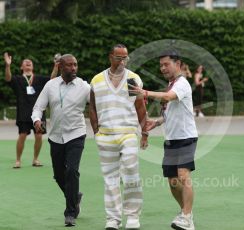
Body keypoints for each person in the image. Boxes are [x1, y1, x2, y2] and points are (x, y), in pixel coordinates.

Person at [130, 49, 198, 230]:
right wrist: (157, 122)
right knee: (173, 182)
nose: (163, 68)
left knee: (183, 175)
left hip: (186, 138)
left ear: (178, 64)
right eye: (160, 65)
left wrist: (145, 93)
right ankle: (185, 211)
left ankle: (186, 216)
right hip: (171, 140)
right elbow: (172, 110)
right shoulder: (171, 84)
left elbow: (168, 97)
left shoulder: (182, 83)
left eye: (166, 64)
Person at [89, 44, 148, 230]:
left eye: (125, 58)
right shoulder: (97, 80)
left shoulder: (132, 79)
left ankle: (132, 216)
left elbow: (140, 107)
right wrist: (96, 132)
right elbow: (92, 108)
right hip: (105, 135)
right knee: (110, 179)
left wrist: (144, 132)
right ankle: (113, 219)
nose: (122, 61)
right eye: (119, 58)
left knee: (131, 171)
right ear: (110, 57)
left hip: (128, 133)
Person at [31, 54, 90, 226]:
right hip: (56, 136)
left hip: (76, 134)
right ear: (61, 67)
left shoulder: (84, 87)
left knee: (72, 171)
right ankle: (75, 196)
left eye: (75, 65)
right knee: (58, 175)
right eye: (69, 65)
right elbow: (38, 107)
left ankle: (70, 213)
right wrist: (36, 120)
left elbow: (98, 102)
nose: (73, 68)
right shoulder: (50, 85)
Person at [3, 52, 56, 169]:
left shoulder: (40, 79)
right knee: (22, 135)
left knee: (38, 136)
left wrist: (56, 66)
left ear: (32, 67)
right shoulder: (17, 79)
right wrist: (7, 65)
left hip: (39, 113)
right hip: (23, 113)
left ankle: (35, 159)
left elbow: (52, 79)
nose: (28, 63)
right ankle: (18, 160)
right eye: (25, 63)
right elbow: (8, 78)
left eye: (30, 63)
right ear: (21, 67)